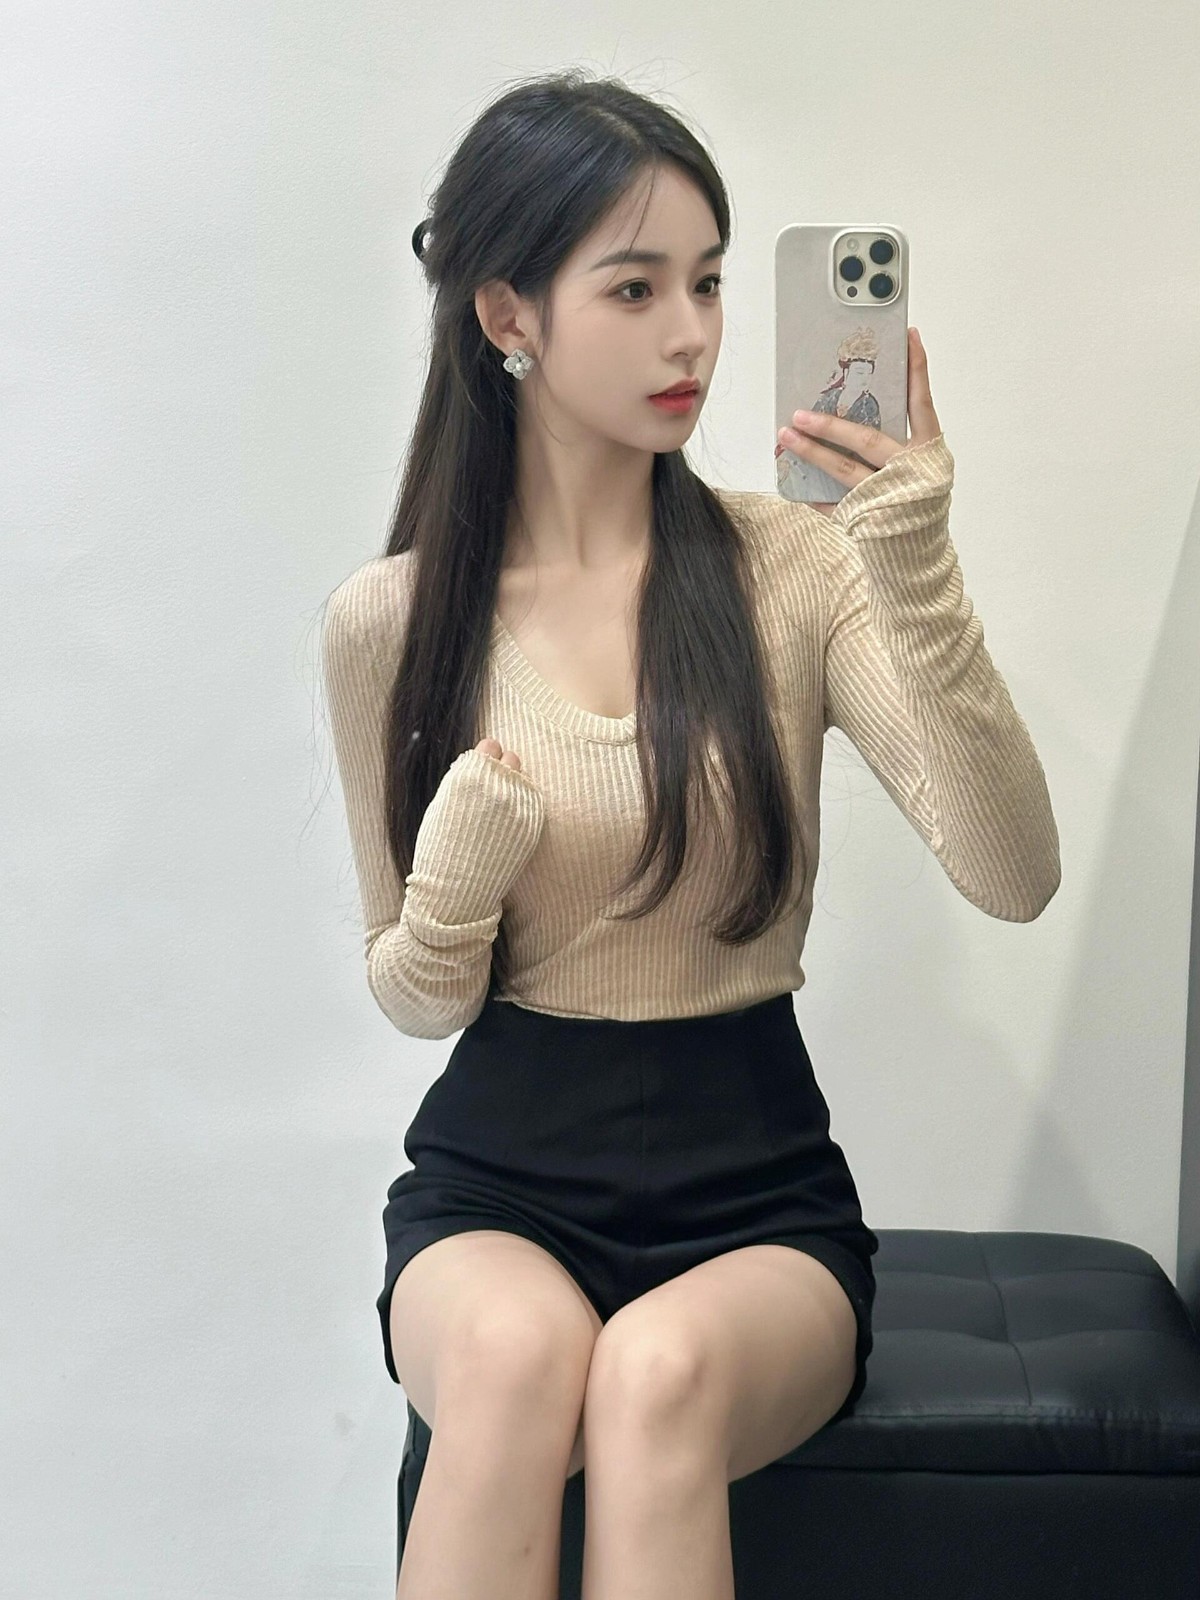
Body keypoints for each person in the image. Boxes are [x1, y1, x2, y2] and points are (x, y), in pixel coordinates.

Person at [321, 69, 1061, 1600]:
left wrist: (911, 556)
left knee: (654, 1378)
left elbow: (1014, 874)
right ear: (509, 314)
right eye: (636, 287)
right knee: (515, 1361)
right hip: (495, 1184)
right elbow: (410, 990)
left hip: (757, 1194)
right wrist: (458, 881)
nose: (693, 336)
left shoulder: (793, 569)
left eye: (711, 284)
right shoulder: (393, 622)